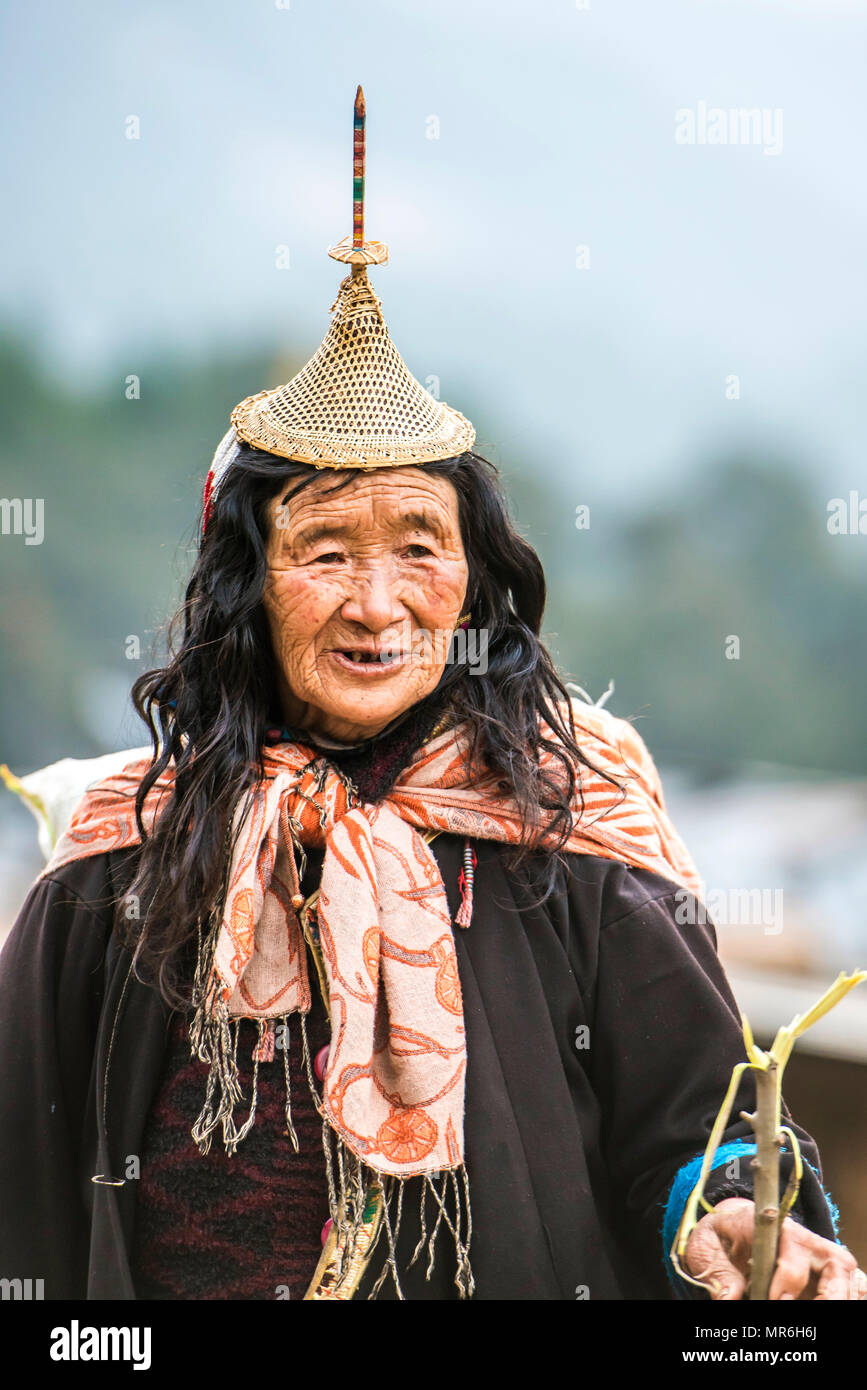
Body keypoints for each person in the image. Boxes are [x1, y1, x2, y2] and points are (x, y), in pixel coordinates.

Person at [0, 90, 863, 1304]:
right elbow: (25, 1193)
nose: (377, 601)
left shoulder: (574, 839)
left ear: (474, 583)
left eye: (419, 544)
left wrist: (723, 1220)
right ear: (247, 587)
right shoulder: (120, 865)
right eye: (327, 550)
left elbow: (699, 1128)